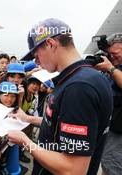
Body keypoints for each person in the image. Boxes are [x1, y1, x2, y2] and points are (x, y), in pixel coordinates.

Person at [8, 18, 113, 175]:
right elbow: (61, 123)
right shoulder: (86, 76)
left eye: (36, 56)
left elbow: (73, 170)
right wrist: (28, 119)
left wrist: (25, 142)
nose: (37, 62)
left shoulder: (78, 87)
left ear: (50, 44)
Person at [95, 33, 122, 175]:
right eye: (109, 54)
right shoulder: (116, 67)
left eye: (114, 53)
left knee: (113, 164)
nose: (111, 57)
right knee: (107, 163)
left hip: (119, 132)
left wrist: (111, 69)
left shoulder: (114, 69)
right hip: (111, 126)